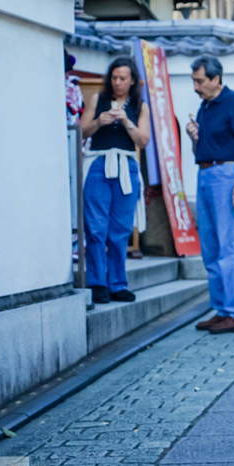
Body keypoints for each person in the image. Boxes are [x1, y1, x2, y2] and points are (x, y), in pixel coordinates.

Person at [186, 55, 234, 334]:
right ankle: (223, 308)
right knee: (211, 247)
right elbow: (204, 148)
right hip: (204, 173)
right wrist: (195, 138)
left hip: (227, 175)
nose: (195, 86)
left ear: (216, 79)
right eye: (193, 80)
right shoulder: (204, 106)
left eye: (199, 80)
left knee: (231, 246)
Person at [79, 56, 152, 305]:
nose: (118, 82)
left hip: (126, 166)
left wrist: (126, 121)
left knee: (119, 229)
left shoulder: (140, 106)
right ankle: (98, 283)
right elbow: (81, 132)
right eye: (114, 77)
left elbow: (143, 140)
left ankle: (118, 284)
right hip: (98, 163)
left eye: (123, 78)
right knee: (96, 227)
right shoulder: (97, 100)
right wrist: (99, 121)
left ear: (132, 81)